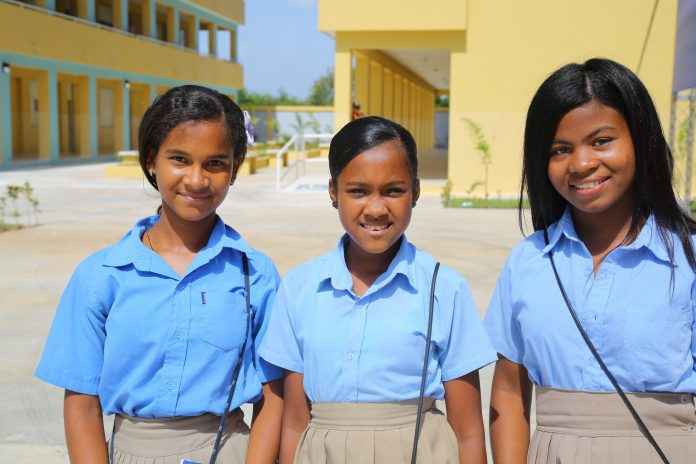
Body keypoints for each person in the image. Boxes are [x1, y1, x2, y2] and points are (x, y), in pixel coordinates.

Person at [35, 85, 283, 464]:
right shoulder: (101, 276)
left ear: (234, 170)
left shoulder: (255, 274)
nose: (196, 180)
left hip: (229, 450)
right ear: (151, 159)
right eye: (180, 159)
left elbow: (273, 396)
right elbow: (81, 403)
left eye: (215, 163)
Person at [485, 58, 696, 464]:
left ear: (641, 140)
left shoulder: (688, 258)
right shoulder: (528, 261)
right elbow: (509, 392)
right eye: (560, 149)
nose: (581, 164)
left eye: (601, 141)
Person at [259, 116, 497, 464]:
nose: (375, 208)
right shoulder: (300, 288)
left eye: (393, 190)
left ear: (415, 192)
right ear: (333, 192)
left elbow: (469, 431)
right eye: (358, 191)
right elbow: (295, 423)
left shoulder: (444, 289)